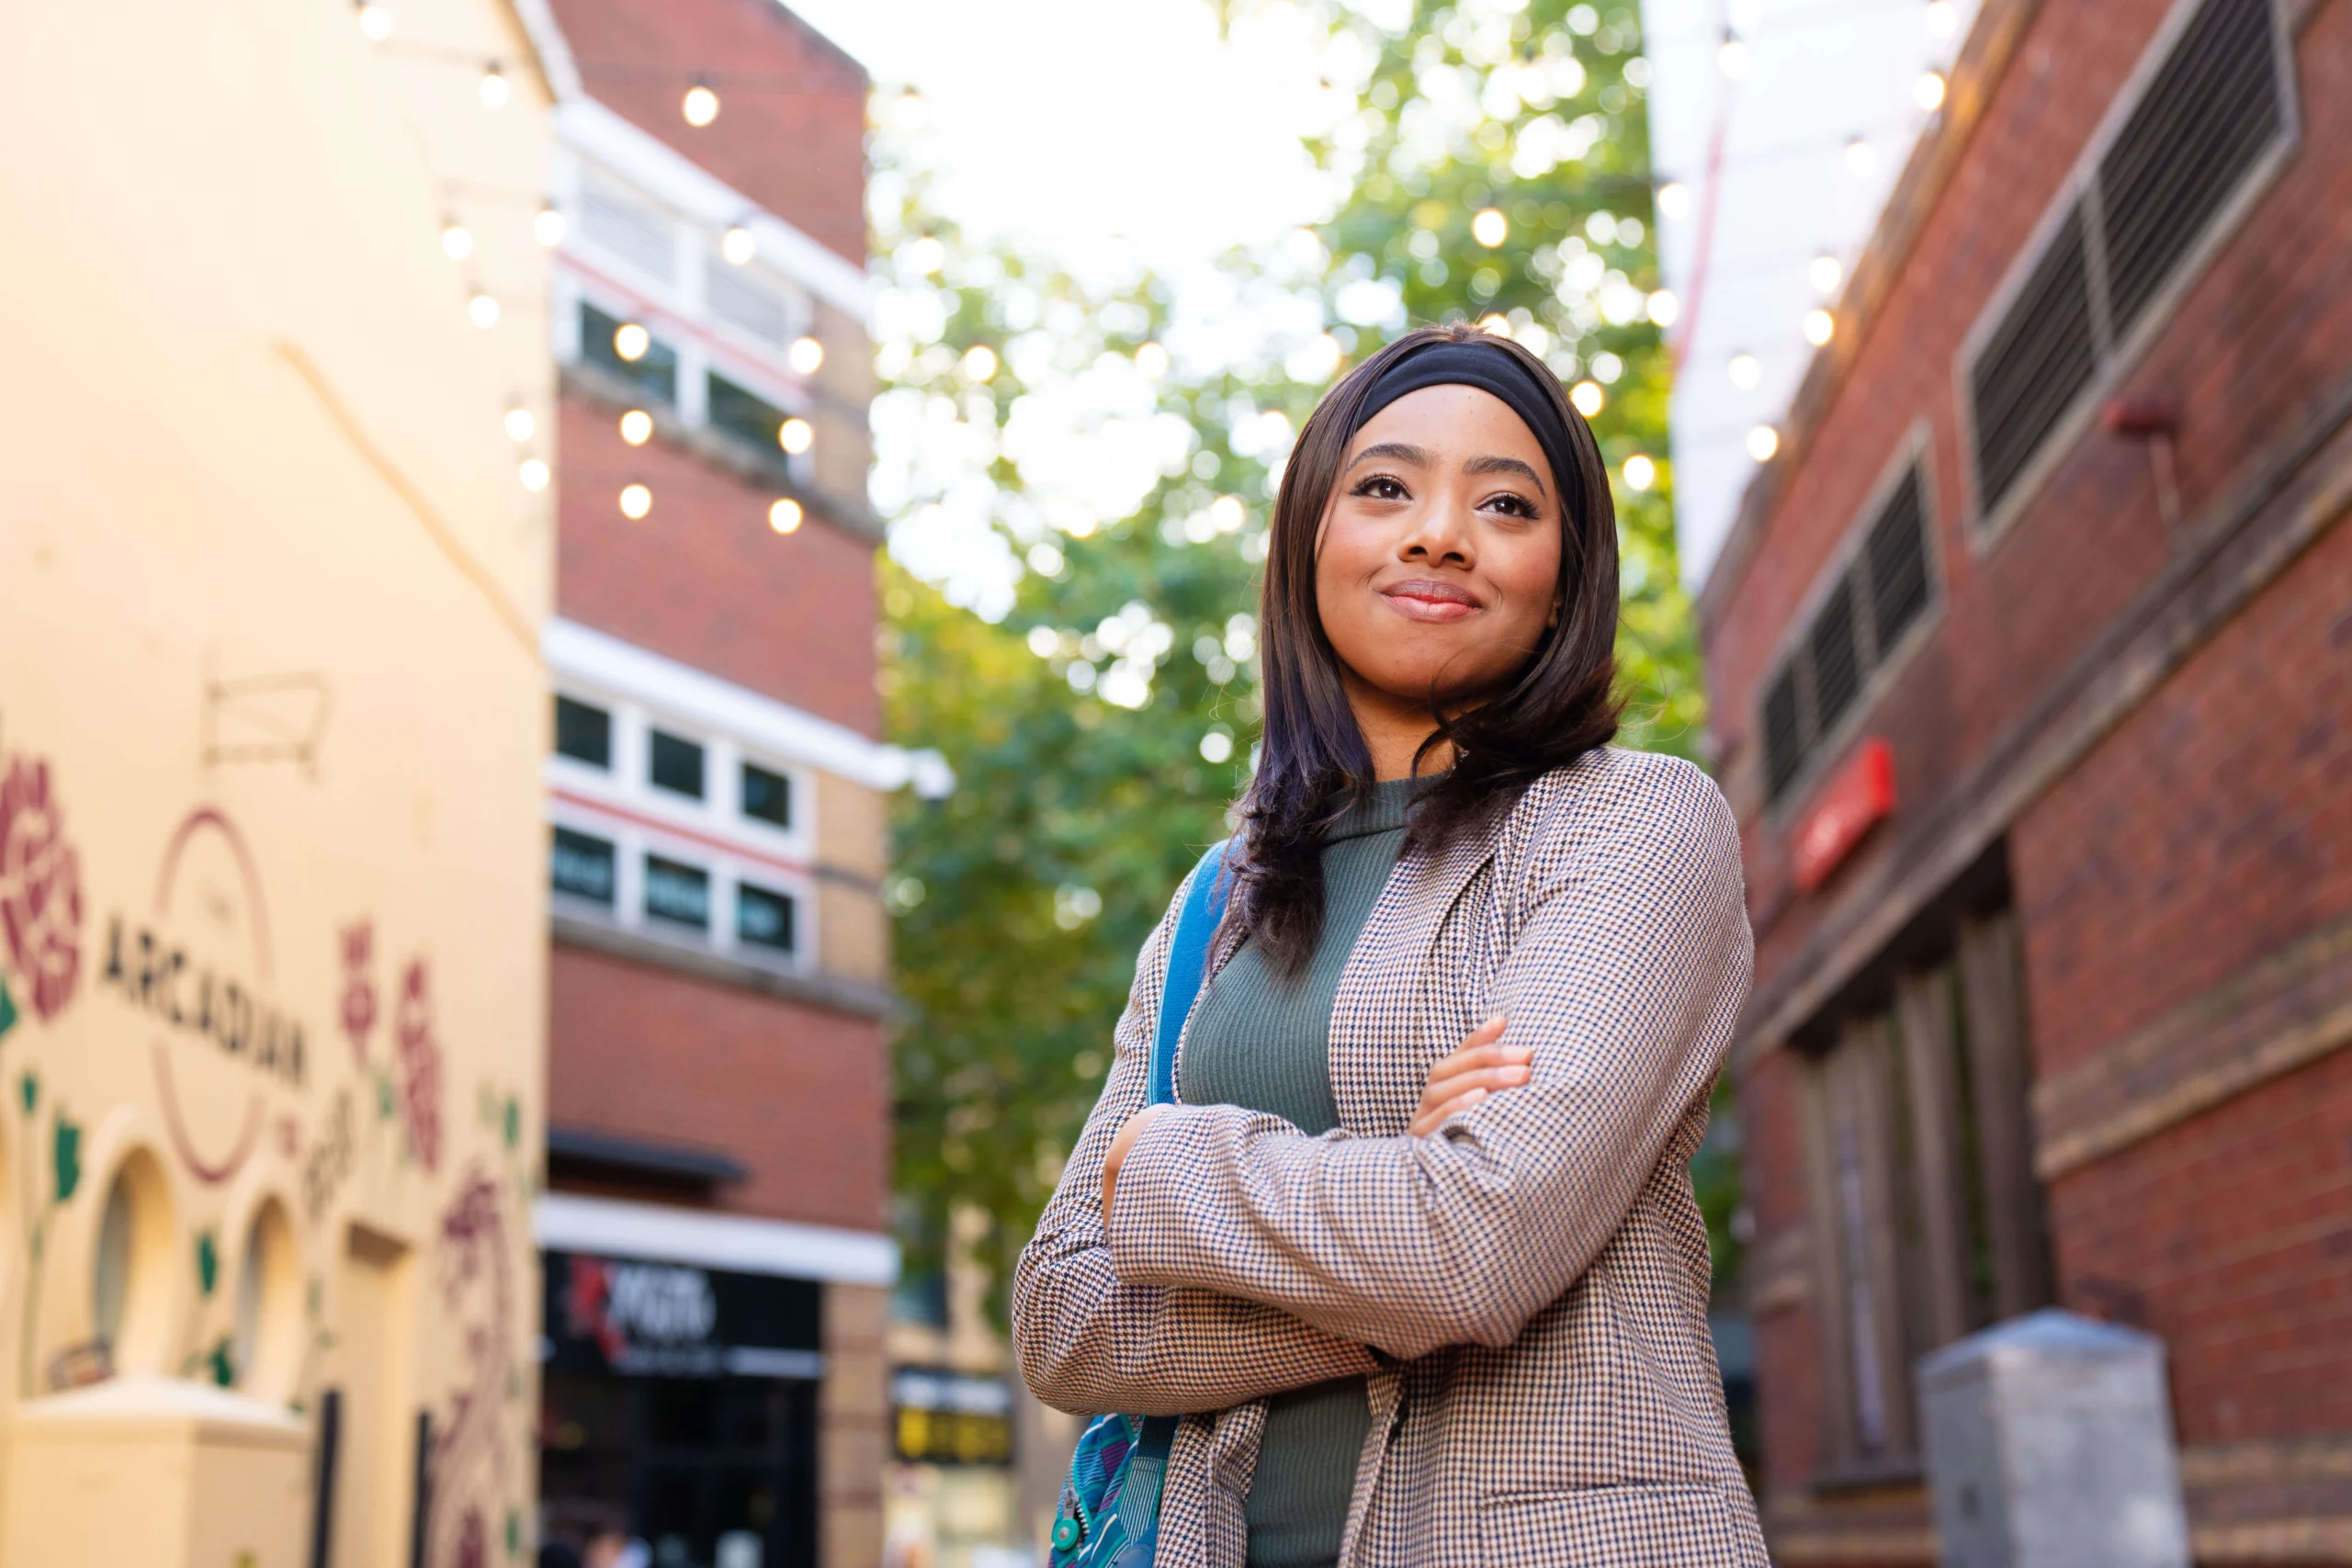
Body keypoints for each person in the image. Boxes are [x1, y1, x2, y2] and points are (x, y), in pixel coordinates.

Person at [1012, 322, 1767, 1565]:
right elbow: (1063, 1316)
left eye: (1507, 503)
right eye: (1384, 487)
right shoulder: (1220, 901)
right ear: (1311, 541)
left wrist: (1162, 1170)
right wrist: (1399, 1218)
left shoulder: (1634, 822)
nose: (1439, 532)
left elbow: (1470, 1245)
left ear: (1565, 577)